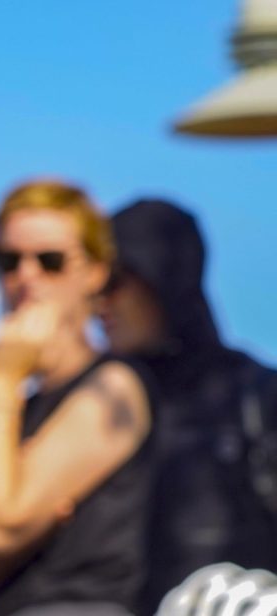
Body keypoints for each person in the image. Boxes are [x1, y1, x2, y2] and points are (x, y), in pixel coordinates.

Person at [0, 180, 154, 616]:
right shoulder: (20, 411)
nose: (26, 278)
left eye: (50, 261)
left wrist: (2, 383)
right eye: (8, 260)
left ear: (95, 272)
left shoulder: (115, 386)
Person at [97, 199, 277, 614]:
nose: (99, 302)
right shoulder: (93, 407)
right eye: (93, 284)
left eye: (115, 281)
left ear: (162, 278)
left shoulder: (254, 393)